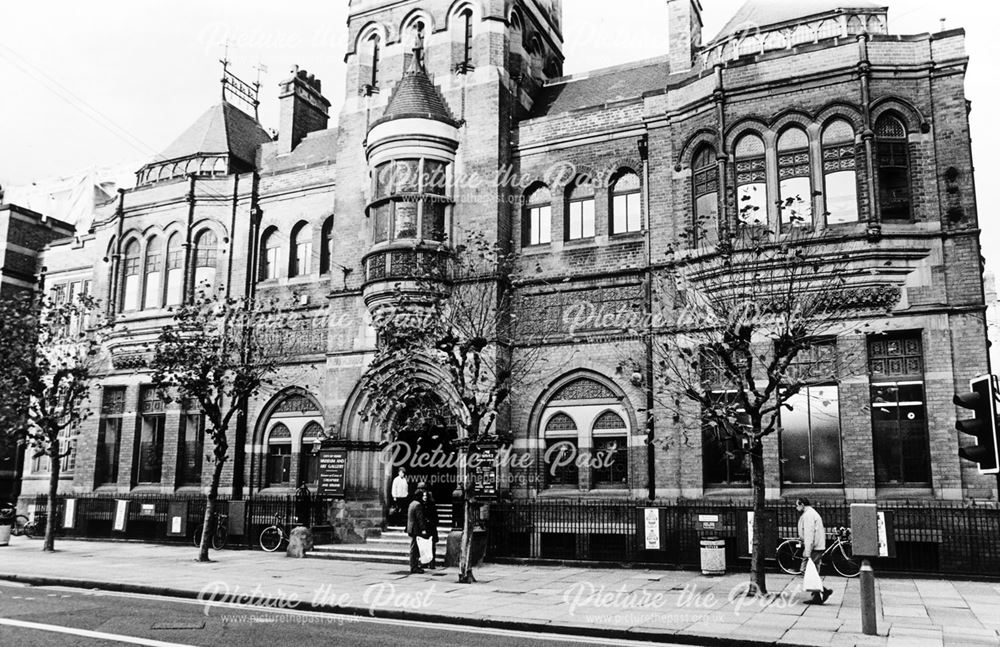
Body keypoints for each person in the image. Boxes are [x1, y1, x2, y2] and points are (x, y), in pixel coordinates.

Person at [797, 498, 833, 604]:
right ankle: (817, 595)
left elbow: (809, 534)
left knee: (805, 570)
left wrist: (807, 551)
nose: (796, 508)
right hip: (817, 547)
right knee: (813, 571)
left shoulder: (808, 515)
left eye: (797, 505)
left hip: (813, 548)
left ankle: (822, 590)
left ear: (802, 505)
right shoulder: (811, 513)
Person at [406, 484, 429, 574]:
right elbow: (420, 519)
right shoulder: (418, 505)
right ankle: (414, 566)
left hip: (411, 528)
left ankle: (414, 565)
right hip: (416, 529)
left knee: (413, 547)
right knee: (414, 548)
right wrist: (423, 529)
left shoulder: (412, 504)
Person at [420, 485, 438, 569]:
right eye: (423, 496)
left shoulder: (431, 505)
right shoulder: (421, 505)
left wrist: (430, 521)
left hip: (431, 528)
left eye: (426, 496)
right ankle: (425, 562)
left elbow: (435, 517)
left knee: (432, 546)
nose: (425, 497)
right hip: (425, 528)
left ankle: (432, 563)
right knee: (425, 546)